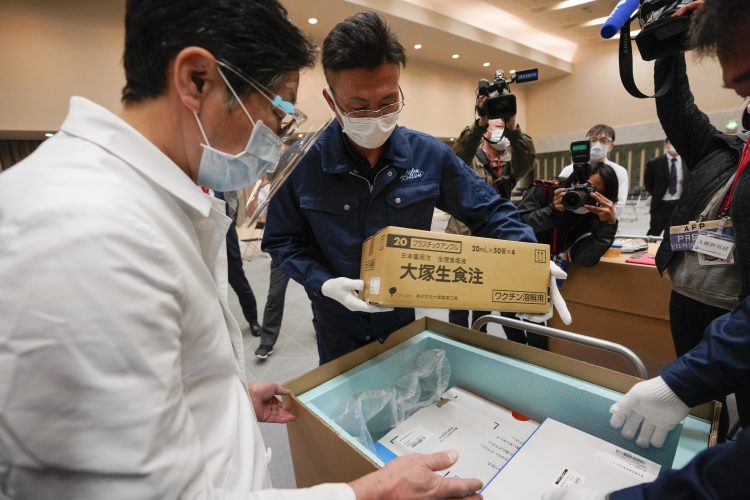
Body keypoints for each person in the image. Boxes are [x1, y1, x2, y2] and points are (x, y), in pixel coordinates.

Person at [0, 1, 485, 498]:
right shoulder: (86, 231)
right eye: (278, 110)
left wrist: (224, 396)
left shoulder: (158, 206)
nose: (277, 139)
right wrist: (368, 494)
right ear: (196, 81)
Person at [262, 11, 554, 365]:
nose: (376, 116)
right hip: (335, 323)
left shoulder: (427, 154)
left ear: (399, 86)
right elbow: (281, 241)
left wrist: (529, 262)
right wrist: (322, 283)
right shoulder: (301, 162)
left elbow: (490, 211)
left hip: (400, 319)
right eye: (359, 107)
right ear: (332, 101)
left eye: (387, 102)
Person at [544, 1, 750, 498]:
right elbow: (676, 107)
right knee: (707, 413)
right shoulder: (720, 153)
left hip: (737, 311)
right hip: (690, 299)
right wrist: (668, 46)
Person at [446, 94, 536, 331]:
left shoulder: (508, 164)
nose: (501, 128)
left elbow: (526, 161)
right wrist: (481, 121)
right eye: (496, 124)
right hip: (462, 238)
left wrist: (514, 128)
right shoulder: (470, 159)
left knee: (483, 299)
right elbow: (456, 157)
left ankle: (479, 340)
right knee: (458, 301)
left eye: (503, 125)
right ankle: (458, 343)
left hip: (491, 239)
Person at [217, 190, 262, 337]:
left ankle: (253, 321)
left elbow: (233, 213)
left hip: (228, 248)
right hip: (204, 252)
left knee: (241, 286)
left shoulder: (220, 187)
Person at [558, 124, 629, 215]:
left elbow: (619, 205)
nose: (597, 144)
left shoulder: (619, 171)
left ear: (611, 146)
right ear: (586, 143)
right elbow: (559, 197)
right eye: (593, 140)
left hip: (601, 222)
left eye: (603, 141)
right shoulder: (569, 169)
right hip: (570, 219)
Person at [644, 139, 686, 236]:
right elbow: (648, 184)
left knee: (677, 234)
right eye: (671, 142)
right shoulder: (654, 163)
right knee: (654, 232)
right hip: (660, 205)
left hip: (679, 205)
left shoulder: (687, 163)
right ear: (666, 145)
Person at [254, 262, 290, 359]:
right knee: (274, 296)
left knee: (316, 292)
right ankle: (267, 341)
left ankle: (319, 328)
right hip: (284, 252)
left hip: (312, 252)